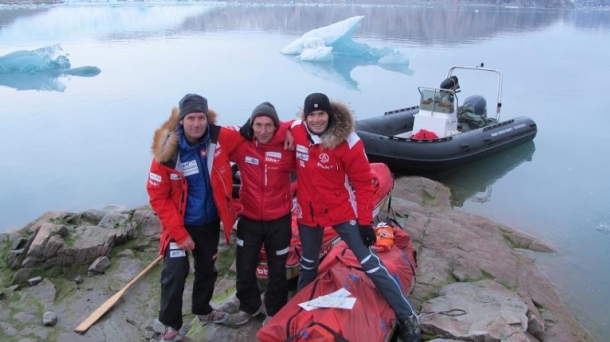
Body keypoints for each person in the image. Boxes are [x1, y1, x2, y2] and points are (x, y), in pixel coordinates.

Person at [290, 93, 422, 342]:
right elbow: (270, 130)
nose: (316, 119)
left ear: (329, 115)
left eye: (321, 114)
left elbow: (362, 184)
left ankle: (408, 316)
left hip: (342, 210)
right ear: (304, 116)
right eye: (311, 114)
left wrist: (364, 222)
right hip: (309, 211)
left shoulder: (349, 142)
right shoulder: (296, 131)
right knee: (308, 263)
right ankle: (298, 314)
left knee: (369, 262)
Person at [146, 93, 245, 342]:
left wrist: (287, 133)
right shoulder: (167, 155)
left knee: (207, 269)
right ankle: (170, 326)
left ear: (207, 119)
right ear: (182, 121)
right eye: (191, 118)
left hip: (209, 222)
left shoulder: (218, 138)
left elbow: (250, 132)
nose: (197, 124)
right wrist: (180, 235)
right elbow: (158, 197)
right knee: (175, 272)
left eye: (201, 118)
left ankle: (203, 310)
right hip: (179, 225)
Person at [228, 102, 295, 326]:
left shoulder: (287, 148)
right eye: (258, 124)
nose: (263, 130)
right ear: (251, 125)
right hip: (250, 218)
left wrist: (287, 129)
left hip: (280, 220)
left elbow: (306, 130)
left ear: (276, 127)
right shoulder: (242, 146)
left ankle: (275, 312)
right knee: (244, 267)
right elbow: (217, 134)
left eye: (269, 125)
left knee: (278, 269)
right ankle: (250, 306)